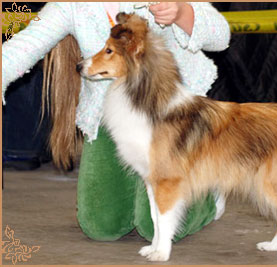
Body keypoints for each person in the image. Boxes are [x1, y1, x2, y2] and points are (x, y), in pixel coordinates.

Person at [2, 2, 230, 242]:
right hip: (111, 119)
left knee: (155, 228)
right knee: (101, 226)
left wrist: (183, 13)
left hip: (173, 117)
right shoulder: (68, 6)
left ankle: (209, 198)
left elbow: (221, 36)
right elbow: (25, 45)